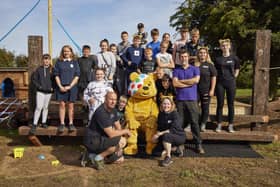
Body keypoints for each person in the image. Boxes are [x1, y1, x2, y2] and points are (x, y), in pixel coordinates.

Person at [83, 91, 131, 170]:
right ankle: (97, 158)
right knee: (122, 141)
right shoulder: (101, 112)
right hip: (93, 140)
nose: (113, 102)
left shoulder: (113, 110)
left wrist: (119, 148)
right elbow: (111, 134)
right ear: (105, 99)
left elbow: (118, 127)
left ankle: (91, 156)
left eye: (115, 100)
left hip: (103, 138)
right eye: (111, 99)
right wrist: (125, 131)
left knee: (120, 159)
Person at [172, 49, 204, 154]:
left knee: (194, 123)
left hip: (192, 100)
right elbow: (175, 84)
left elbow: (196, 81)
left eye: (185, 56)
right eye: (182, 57)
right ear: (179, 58)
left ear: (188, 57)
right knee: (180, 124)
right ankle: (180, 144)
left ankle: (198, 144)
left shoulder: (195, 69)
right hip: (180, 100)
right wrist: (188, 83)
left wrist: (181, 81)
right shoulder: (176, 70)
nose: (183, 58)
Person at [215, 39, 240, 133]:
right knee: (220, 104)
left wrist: (234, 77)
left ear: (229, 46)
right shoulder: (218, 59)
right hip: (220, 83)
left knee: (231, 104)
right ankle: (219, 124)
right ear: (221, 47)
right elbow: (215, 71)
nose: (225, 47)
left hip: (231, 83)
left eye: (226, 45)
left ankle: (230, 125)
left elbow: (237, 69)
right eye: (223, 46)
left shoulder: (234, 58)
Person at [152, 97, 186, 167]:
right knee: (155, 152)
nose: (166, 106)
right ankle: (175, 148)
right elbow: (159, 128)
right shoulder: (160, 114)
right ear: (161, 105)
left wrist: (160, 134)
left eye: (168, 104)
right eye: (164, 104)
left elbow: (172, 129)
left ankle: (168, 157)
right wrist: (155, 136)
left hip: (178, 136)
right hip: (166, 136)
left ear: (171, 105)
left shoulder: (175, 114)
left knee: (166, 136)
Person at [54, 45, 80, 133]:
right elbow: (56, 75)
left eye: (68, 51)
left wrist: (70, 86)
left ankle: (71, 123)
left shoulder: (75, 62)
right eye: (64, 51)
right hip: (61, 87)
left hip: (72, 87)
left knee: (71, 106)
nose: (66, 53)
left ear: (71, 52)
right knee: (61, 105)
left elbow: (77, 76)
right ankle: (62, 124)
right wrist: (60, 86)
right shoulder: (58, 62)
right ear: (62, 52)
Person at [29, 54, 53, 135]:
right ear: (42, 60)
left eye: (48, 59)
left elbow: (55, 79)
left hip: (49, 92)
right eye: (45, 59)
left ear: (50, 60)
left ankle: (43, 122)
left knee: (45, 107)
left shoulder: (52, 70)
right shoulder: (38, 69)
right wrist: (39, 86)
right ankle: (34, 124)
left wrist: (52, 87)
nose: (46, 61)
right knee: (39, 107)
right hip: (40, 91)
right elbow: (34, 80)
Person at [195, 47, 217, 132]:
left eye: (204, 53)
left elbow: (214, 78)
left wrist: (212, 90)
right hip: (195, 90)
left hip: (206, 90)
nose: (202, 54)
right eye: (200, 53)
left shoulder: (210, 65)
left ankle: (203, 124)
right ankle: (193, 123)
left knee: (205, 108)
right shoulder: (195, 65)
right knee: (194, 108)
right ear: (198, 54)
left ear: (207, 54)